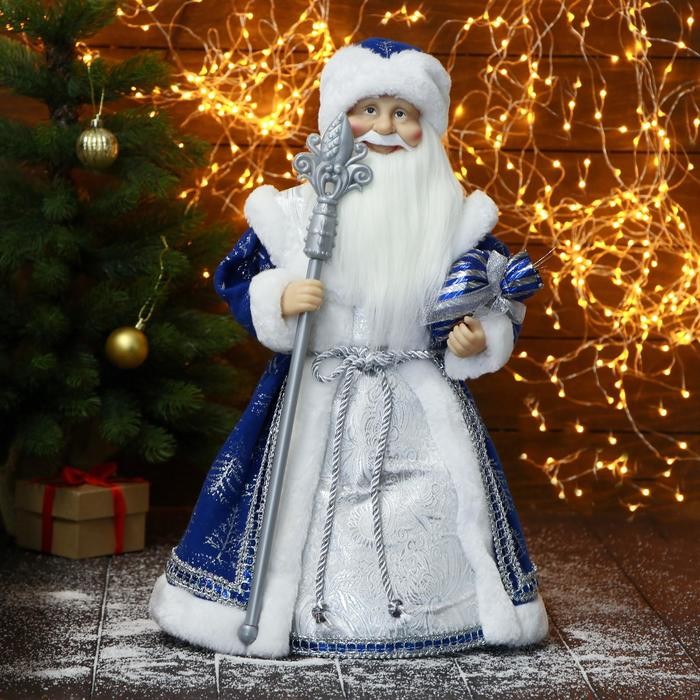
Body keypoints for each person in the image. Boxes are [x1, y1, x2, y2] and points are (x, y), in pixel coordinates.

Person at [149, 37, 549, 659]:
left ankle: (435, 614)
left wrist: (475, 337)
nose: (383, 128)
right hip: (321, 384)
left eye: (401, 113)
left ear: (427, 127)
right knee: (303, 499)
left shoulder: (456, 220)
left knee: (435, 497)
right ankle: (292, 613)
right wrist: (280, 296)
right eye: (368, 111)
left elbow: (489, 298)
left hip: (416, 394)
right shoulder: (293, 212)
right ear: (339, 120)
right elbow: (239, 278)